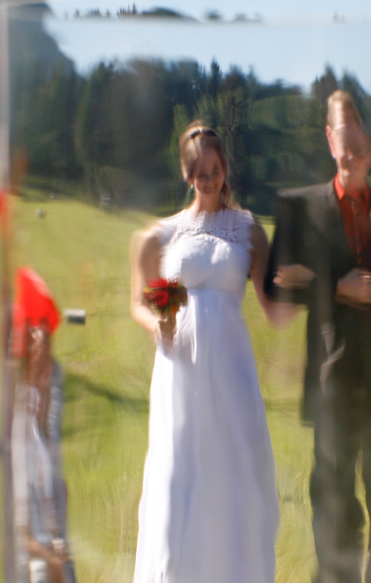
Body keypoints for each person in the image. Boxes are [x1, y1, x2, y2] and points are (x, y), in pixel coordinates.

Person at [265, 91, 371, 583]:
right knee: (333, 496)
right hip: (332, 376)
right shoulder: (298, 207)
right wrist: (335, 287)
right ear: (328, 139)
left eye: (359, 141)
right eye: (341, 136)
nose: (350, 149)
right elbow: (277, 285)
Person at [128, 122, 282, 583]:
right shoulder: (163, 235)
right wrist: (159, 324)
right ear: (186, 173)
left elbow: (272, 299)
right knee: (177, 474)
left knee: (232, 474)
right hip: (180, 372)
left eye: (214, 170)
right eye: (199, 171)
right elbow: (144, 301)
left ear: (225, 169)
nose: (208, 179)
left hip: (232, 369)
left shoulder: (249, 229)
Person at [11, 267, 74, 583]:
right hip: (32, 564)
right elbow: (14, 526)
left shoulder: (38, 413)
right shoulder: (14, 424)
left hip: (50, 552)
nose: (49, 361)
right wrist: (50, 559)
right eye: (40, 341)